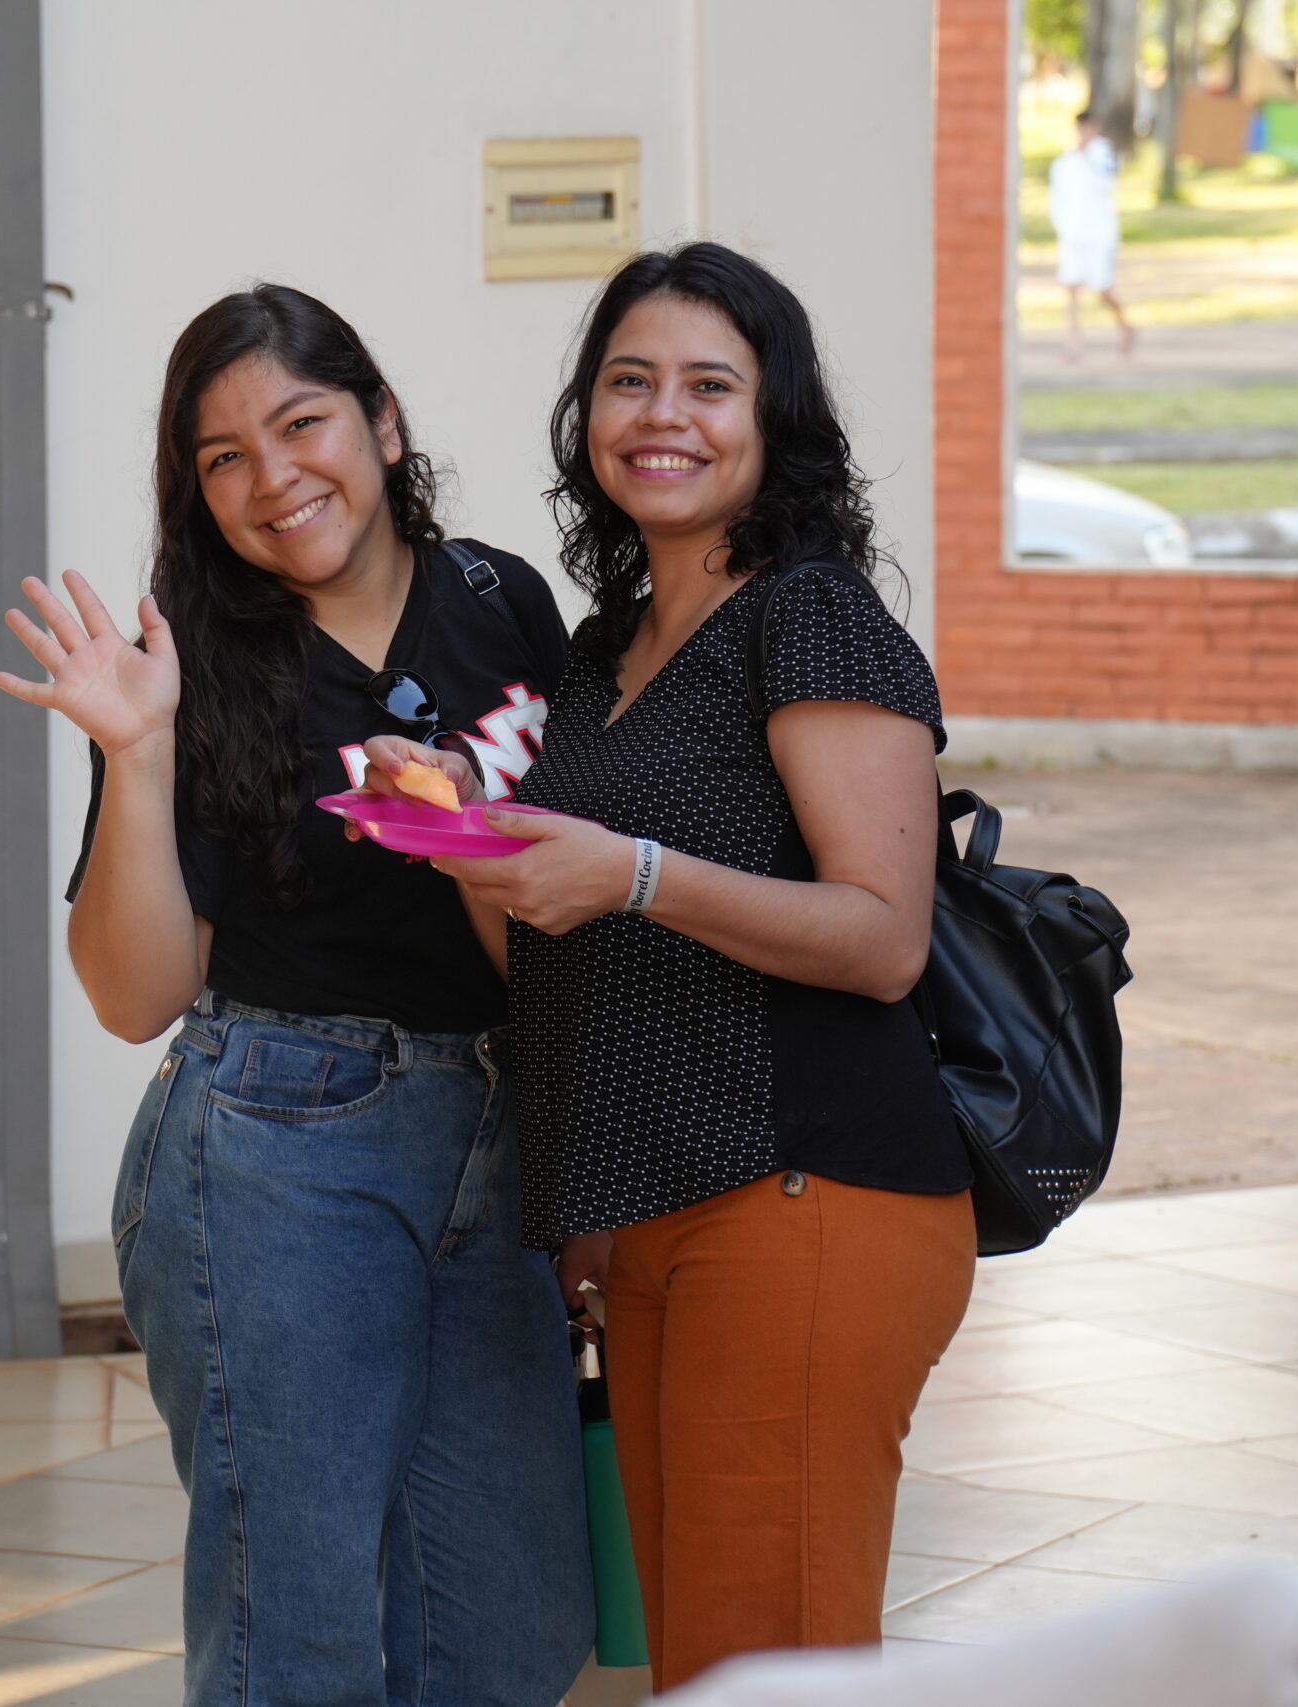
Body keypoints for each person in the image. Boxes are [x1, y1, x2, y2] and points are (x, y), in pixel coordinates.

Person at [360, 243, 972, 1689]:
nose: (662, 415)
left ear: (775, 420)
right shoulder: (603, 653)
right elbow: (552, 941)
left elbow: (883, 937)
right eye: (629, 381)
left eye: (710, 385)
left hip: (807, 1188)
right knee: (699, 1655)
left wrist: (632, 869)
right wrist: (463, 833)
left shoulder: (809, 613)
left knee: (773, 1654)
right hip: (651, 1205)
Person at [0, 285, 591, 1706]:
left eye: (302, 423)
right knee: (300, 1638)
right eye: (224, 456)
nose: (273, 477)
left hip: (497, 1133)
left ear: (382, 423)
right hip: (277, 1151)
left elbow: (556, 911)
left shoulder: (499, 599)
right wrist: (135, 753)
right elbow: (134, 993)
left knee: (511, 1626)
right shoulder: (193, 666)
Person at [1049, 109, 1134, 360]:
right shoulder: (1064, 162)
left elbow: (1107, 183)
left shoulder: (1104, 155)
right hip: (1072, 234)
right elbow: (1057, 197)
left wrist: (1088, 157)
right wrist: (1061, 225)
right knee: (1071, 288)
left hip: (1099, 233)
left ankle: (1125, 326)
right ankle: (1074, 342)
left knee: (1103, 288)